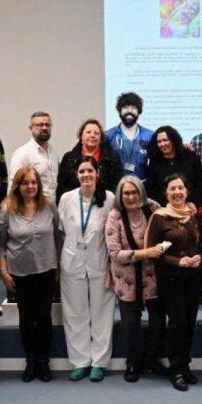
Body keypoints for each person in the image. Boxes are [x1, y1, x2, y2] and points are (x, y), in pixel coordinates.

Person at [0, 167, 63, 383]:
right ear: (18, 185)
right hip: (18, 273)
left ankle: (43, 361)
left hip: (46, 270)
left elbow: (57, 238)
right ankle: (31, 361)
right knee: (26, 319)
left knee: (44, 318)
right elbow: (1, 246)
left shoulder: (49, 206)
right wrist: (4, 272)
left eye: (34, 182)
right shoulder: (7, 209)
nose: (30, 186)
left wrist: (58, 268)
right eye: (25, 183)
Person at [58, 158, 116, 382]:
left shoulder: (108, 198)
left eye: (89, 171)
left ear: (97, 173)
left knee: (102, 312)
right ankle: (80, 361)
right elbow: (61, 229)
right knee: (75, 313)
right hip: (72, 260)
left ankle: (99, 362)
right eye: (82, 171)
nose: (86, 175)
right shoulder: (66, 198)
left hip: (99, 260)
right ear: (76, 175)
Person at [145, 173, 202, 391]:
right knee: (177, 323)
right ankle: (175, 369)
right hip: (170, 278)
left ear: (186, 191)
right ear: (166, 194)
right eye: (172, 189)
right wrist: (179, 262)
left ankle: (185, 365)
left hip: (193, 278)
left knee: (189, 323)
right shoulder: (159, 217)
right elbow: (153, 252)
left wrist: (200, 258)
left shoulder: (194, 214)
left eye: (180, 188)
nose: (177, 192)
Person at [105, 176, 166, 382]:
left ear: (141, 192)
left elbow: (167, 230)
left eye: (134, 192)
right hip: (126, 279)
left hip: (153, 278)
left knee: (158, 321)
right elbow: (115, 253)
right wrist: (145, 253)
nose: (131, 197)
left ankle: (152, 360)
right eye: (126, 193)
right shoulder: (114, 216)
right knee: (131, 325)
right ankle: (133, 363)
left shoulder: (153, 208)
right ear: (120, 196)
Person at [58, 118, 123, 202]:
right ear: (81, 136)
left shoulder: (112, 158)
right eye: (88, 132)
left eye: (96, 133)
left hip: (105, 203)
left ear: (101, 139)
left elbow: (117, 184)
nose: (92, 135)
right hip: (75, 205)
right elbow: (62, 186)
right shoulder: (69, 158)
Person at [146, 125, 202, 208]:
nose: (162, 144)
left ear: (173, 140)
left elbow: (200, 184)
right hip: (165, 210)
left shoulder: (191, 157)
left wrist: (191, 205)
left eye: (165, 140)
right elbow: (152, 190)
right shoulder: (154, 163)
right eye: (159, 142)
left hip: (190, 209)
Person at [8, 111, 59, 202]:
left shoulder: (53, 153)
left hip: (51, 208)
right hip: (31, 208)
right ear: (31, 128)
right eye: (40, 125)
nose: (44, 128)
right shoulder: (23, 153)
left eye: (48, 125)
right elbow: (14, 184)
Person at [105, 91, 154, 181]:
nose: (130, 111)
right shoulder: (108, 135)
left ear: (139, 111)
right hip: (116, 186)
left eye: (134, 108)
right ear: (119, 110)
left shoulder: (150, 136)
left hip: (142, 187)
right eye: (126, 107)